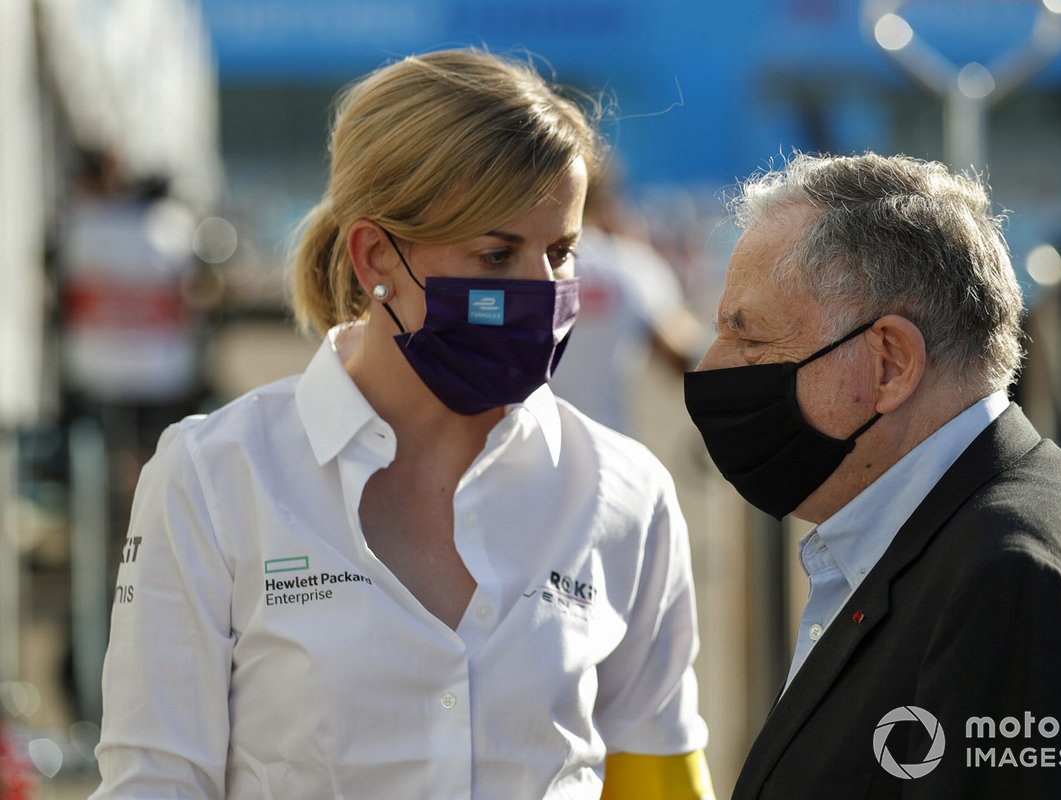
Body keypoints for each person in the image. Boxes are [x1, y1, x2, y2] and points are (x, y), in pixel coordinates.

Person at [91, 49, 711, 800]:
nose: (542, 291)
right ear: (376, 252)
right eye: (497, 253)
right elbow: (152, 781)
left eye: (560, 252)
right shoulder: (214, 477)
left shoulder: (626, 491)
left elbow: (660, 778)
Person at [683, 151, 1061, 798]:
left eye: (750, 338)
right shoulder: (962, 539)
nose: (709, 369)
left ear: (891, 362)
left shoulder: (1014, 584)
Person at [550, 161, 705, 436]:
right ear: (607, 201)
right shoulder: (634, 265)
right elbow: (686, 355)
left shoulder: (523, 268)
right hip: (610, 450)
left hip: (521, 449)